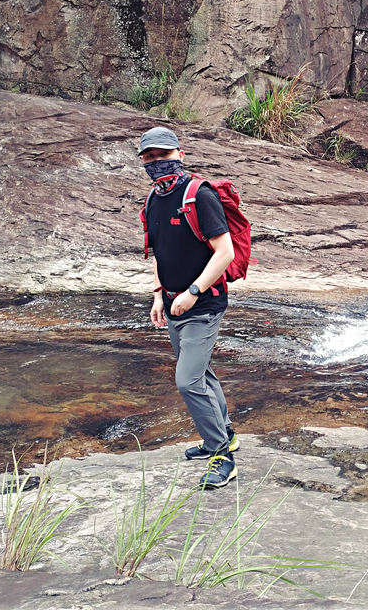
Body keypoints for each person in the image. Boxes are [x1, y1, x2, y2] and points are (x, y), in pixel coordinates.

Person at [139, 126, 239, 489]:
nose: (156, 163)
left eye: (163, 156)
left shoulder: (200, 194)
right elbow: (157, 253)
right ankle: (225, 434)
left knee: (187, 380)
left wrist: (194, 291)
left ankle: (221, 457)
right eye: (149, 158)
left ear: (180, 154)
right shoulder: (153, 200)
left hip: (204, 304)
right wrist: (157, 295)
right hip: (172, 304)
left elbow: (224, 252)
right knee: (200, 372)